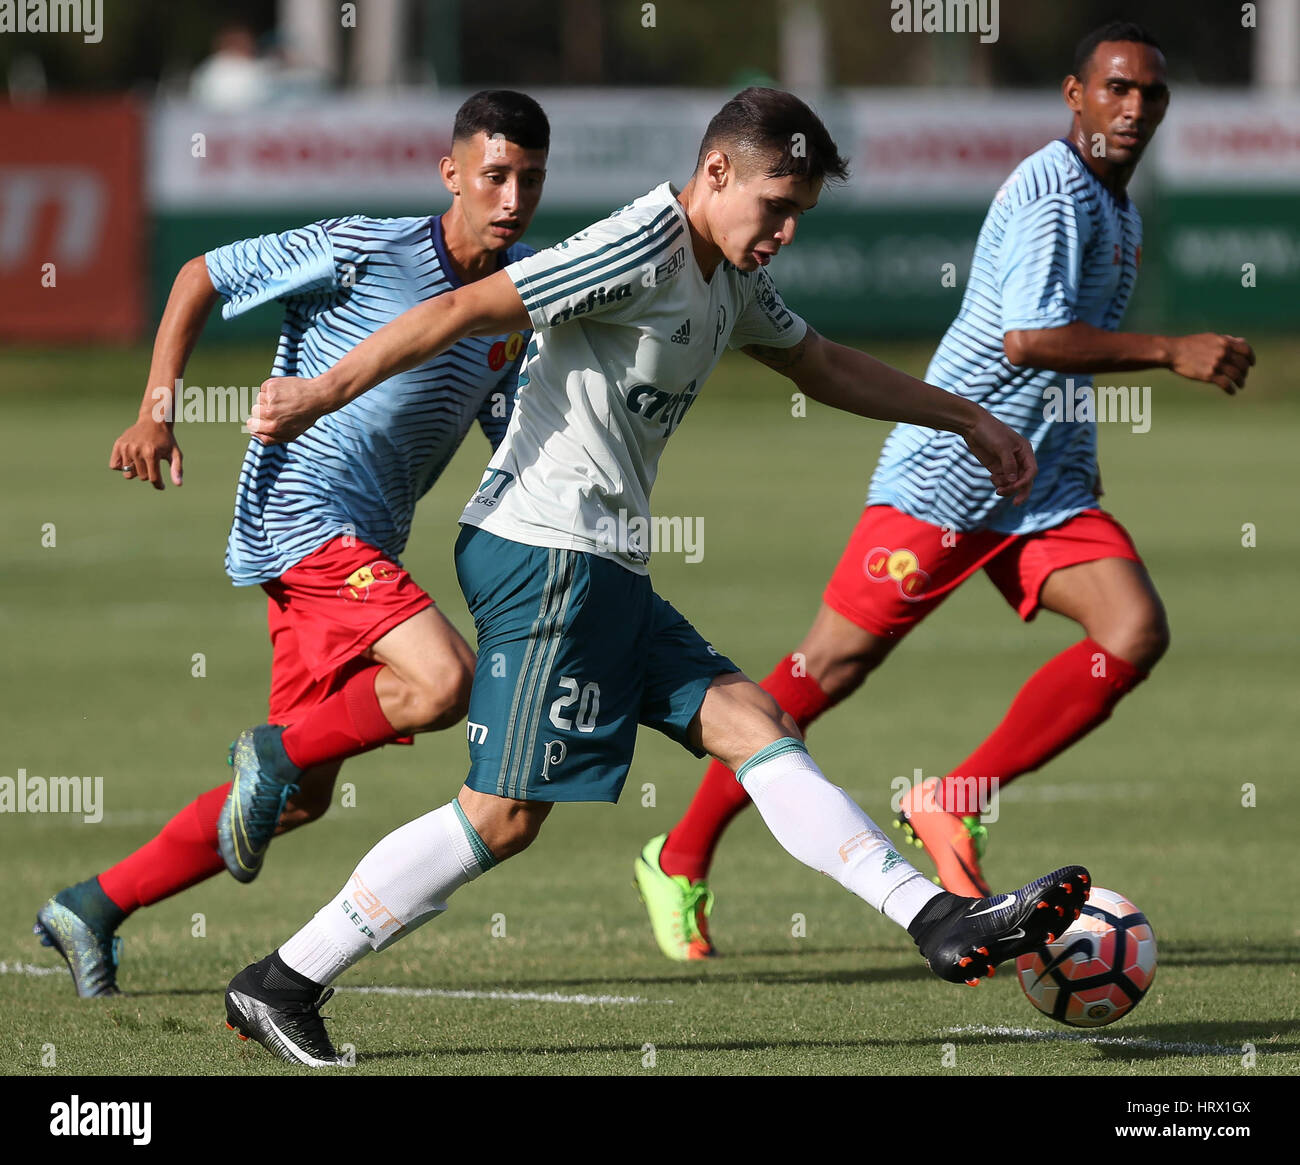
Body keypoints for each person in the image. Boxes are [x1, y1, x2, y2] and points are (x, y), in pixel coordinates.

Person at [222, 87, 1090, 1067]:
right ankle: (283, 979)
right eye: (775, 203)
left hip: (606, 566)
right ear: (715, 173)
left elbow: (824, 365)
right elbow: (466, 308)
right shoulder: (641, 242)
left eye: (801, 210)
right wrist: (316, 392)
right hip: (544, 553)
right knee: (501, 819)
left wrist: (966, 418)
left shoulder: (731, 275)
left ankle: (938, 921)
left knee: (755, 725)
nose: (787, 230)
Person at [635, 21, 1255, 963]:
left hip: (1042, 487)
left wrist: (1077, 457)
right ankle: (678, 854)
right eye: (1116, 89)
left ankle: (951, 799)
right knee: (824, 673)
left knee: (1132, 629)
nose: (1134, 108)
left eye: (1151, 95)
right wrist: (1174, 350)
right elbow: (1030, 341)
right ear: (1074, 95)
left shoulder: (1119, 205)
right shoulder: (1054, 192)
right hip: (948, 476)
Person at [33, 90, 551, 997]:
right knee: (440, 682)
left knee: (302, 795)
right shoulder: (365, 246)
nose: (512, 198)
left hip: (366, 545)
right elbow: (200, 273)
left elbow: (508, 432)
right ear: (453, 174)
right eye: (495, 175)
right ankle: (267, 754)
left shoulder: (512, 303)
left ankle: (92, 904)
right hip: (303, 517)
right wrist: (157, 411)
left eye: (530, 180)